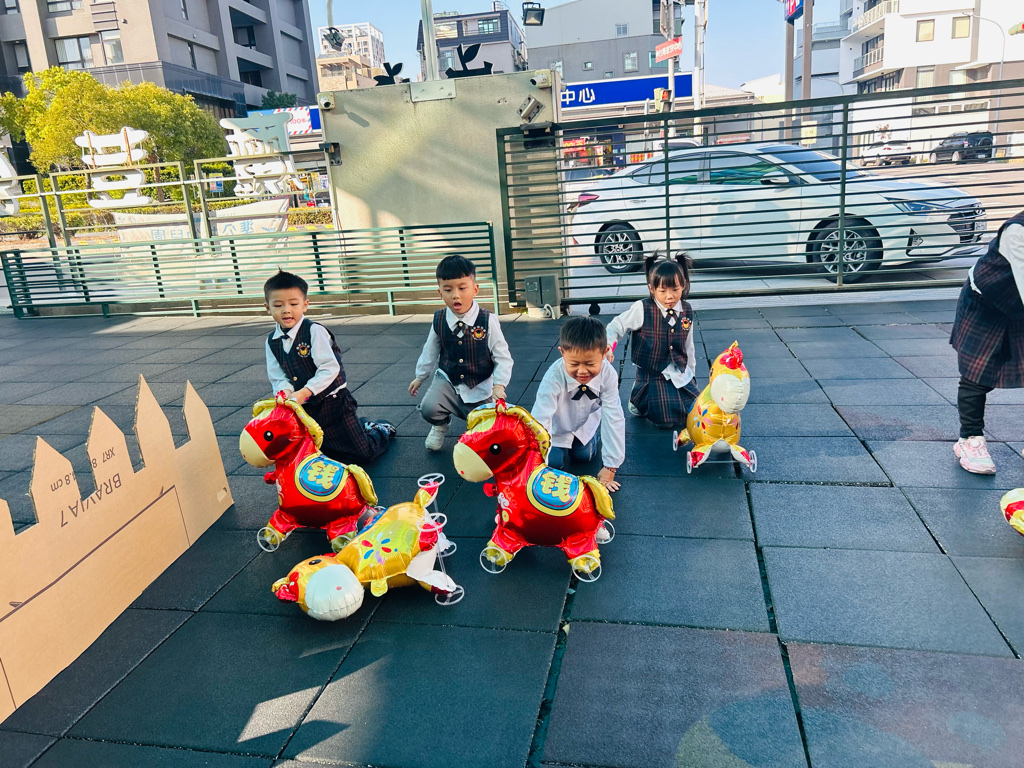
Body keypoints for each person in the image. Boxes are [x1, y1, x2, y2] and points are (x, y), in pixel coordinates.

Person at [263, 271, 395, 464]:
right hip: (304, 407)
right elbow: (278, 376)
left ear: (305, 305)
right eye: (278, 305)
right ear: (268, 307)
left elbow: (329, 368)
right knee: (322, 454)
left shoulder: (314, 331)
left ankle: (379, 429)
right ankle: (360, 427)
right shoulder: (271, 341)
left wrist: (304, 392)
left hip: (334, 403)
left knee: (363, 454)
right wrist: (285, 393)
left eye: (293, 304)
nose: (286, 310)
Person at [410, 255, 513, 451]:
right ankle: (440, 424)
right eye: (448, 290)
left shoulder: (487, 320)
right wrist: (420, 376)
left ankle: (476, 428)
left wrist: (499, 384)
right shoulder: (439, 319)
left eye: (462, 288)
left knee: (489, 430)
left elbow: (502, 356)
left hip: (479, 384)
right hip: (448, 380)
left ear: (475, 289)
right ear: (440, 292)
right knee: (428, 408)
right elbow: (430, 350)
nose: (455, 295)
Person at [949, 210, 1024, 474]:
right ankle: (969, 439)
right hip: (987, 302)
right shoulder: (1018, 230)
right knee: (977, 374)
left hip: (1017, 305)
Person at [531, 316, 625, 492]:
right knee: (553, 463)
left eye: (590, 364)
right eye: (574, 364)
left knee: (583, 456)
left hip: (584, 423)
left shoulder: (608, 374)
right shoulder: (553, 377)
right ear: (562, 353)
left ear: (604, 353)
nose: (582, 371)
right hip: (557, 427)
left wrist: (611, 466)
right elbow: (541, 417)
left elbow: (614, 417)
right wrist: (535, 462)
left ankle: (592, 436)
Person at [606, 252, 698, 429]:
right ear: (652, 288)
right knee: (665, 420)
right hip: (652, 373)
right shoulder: (643, 308)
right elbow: (617, 325)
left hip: (677, 371)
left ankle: (659, 397)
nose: (669, 296)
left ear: (683, 285)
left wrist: (691, 375)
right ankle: (639, 397)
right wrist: (608, 344)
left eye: (675, 290)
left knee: (695, 410)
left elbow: (689, 346)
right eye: (663, 291)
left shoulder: (686, 310)